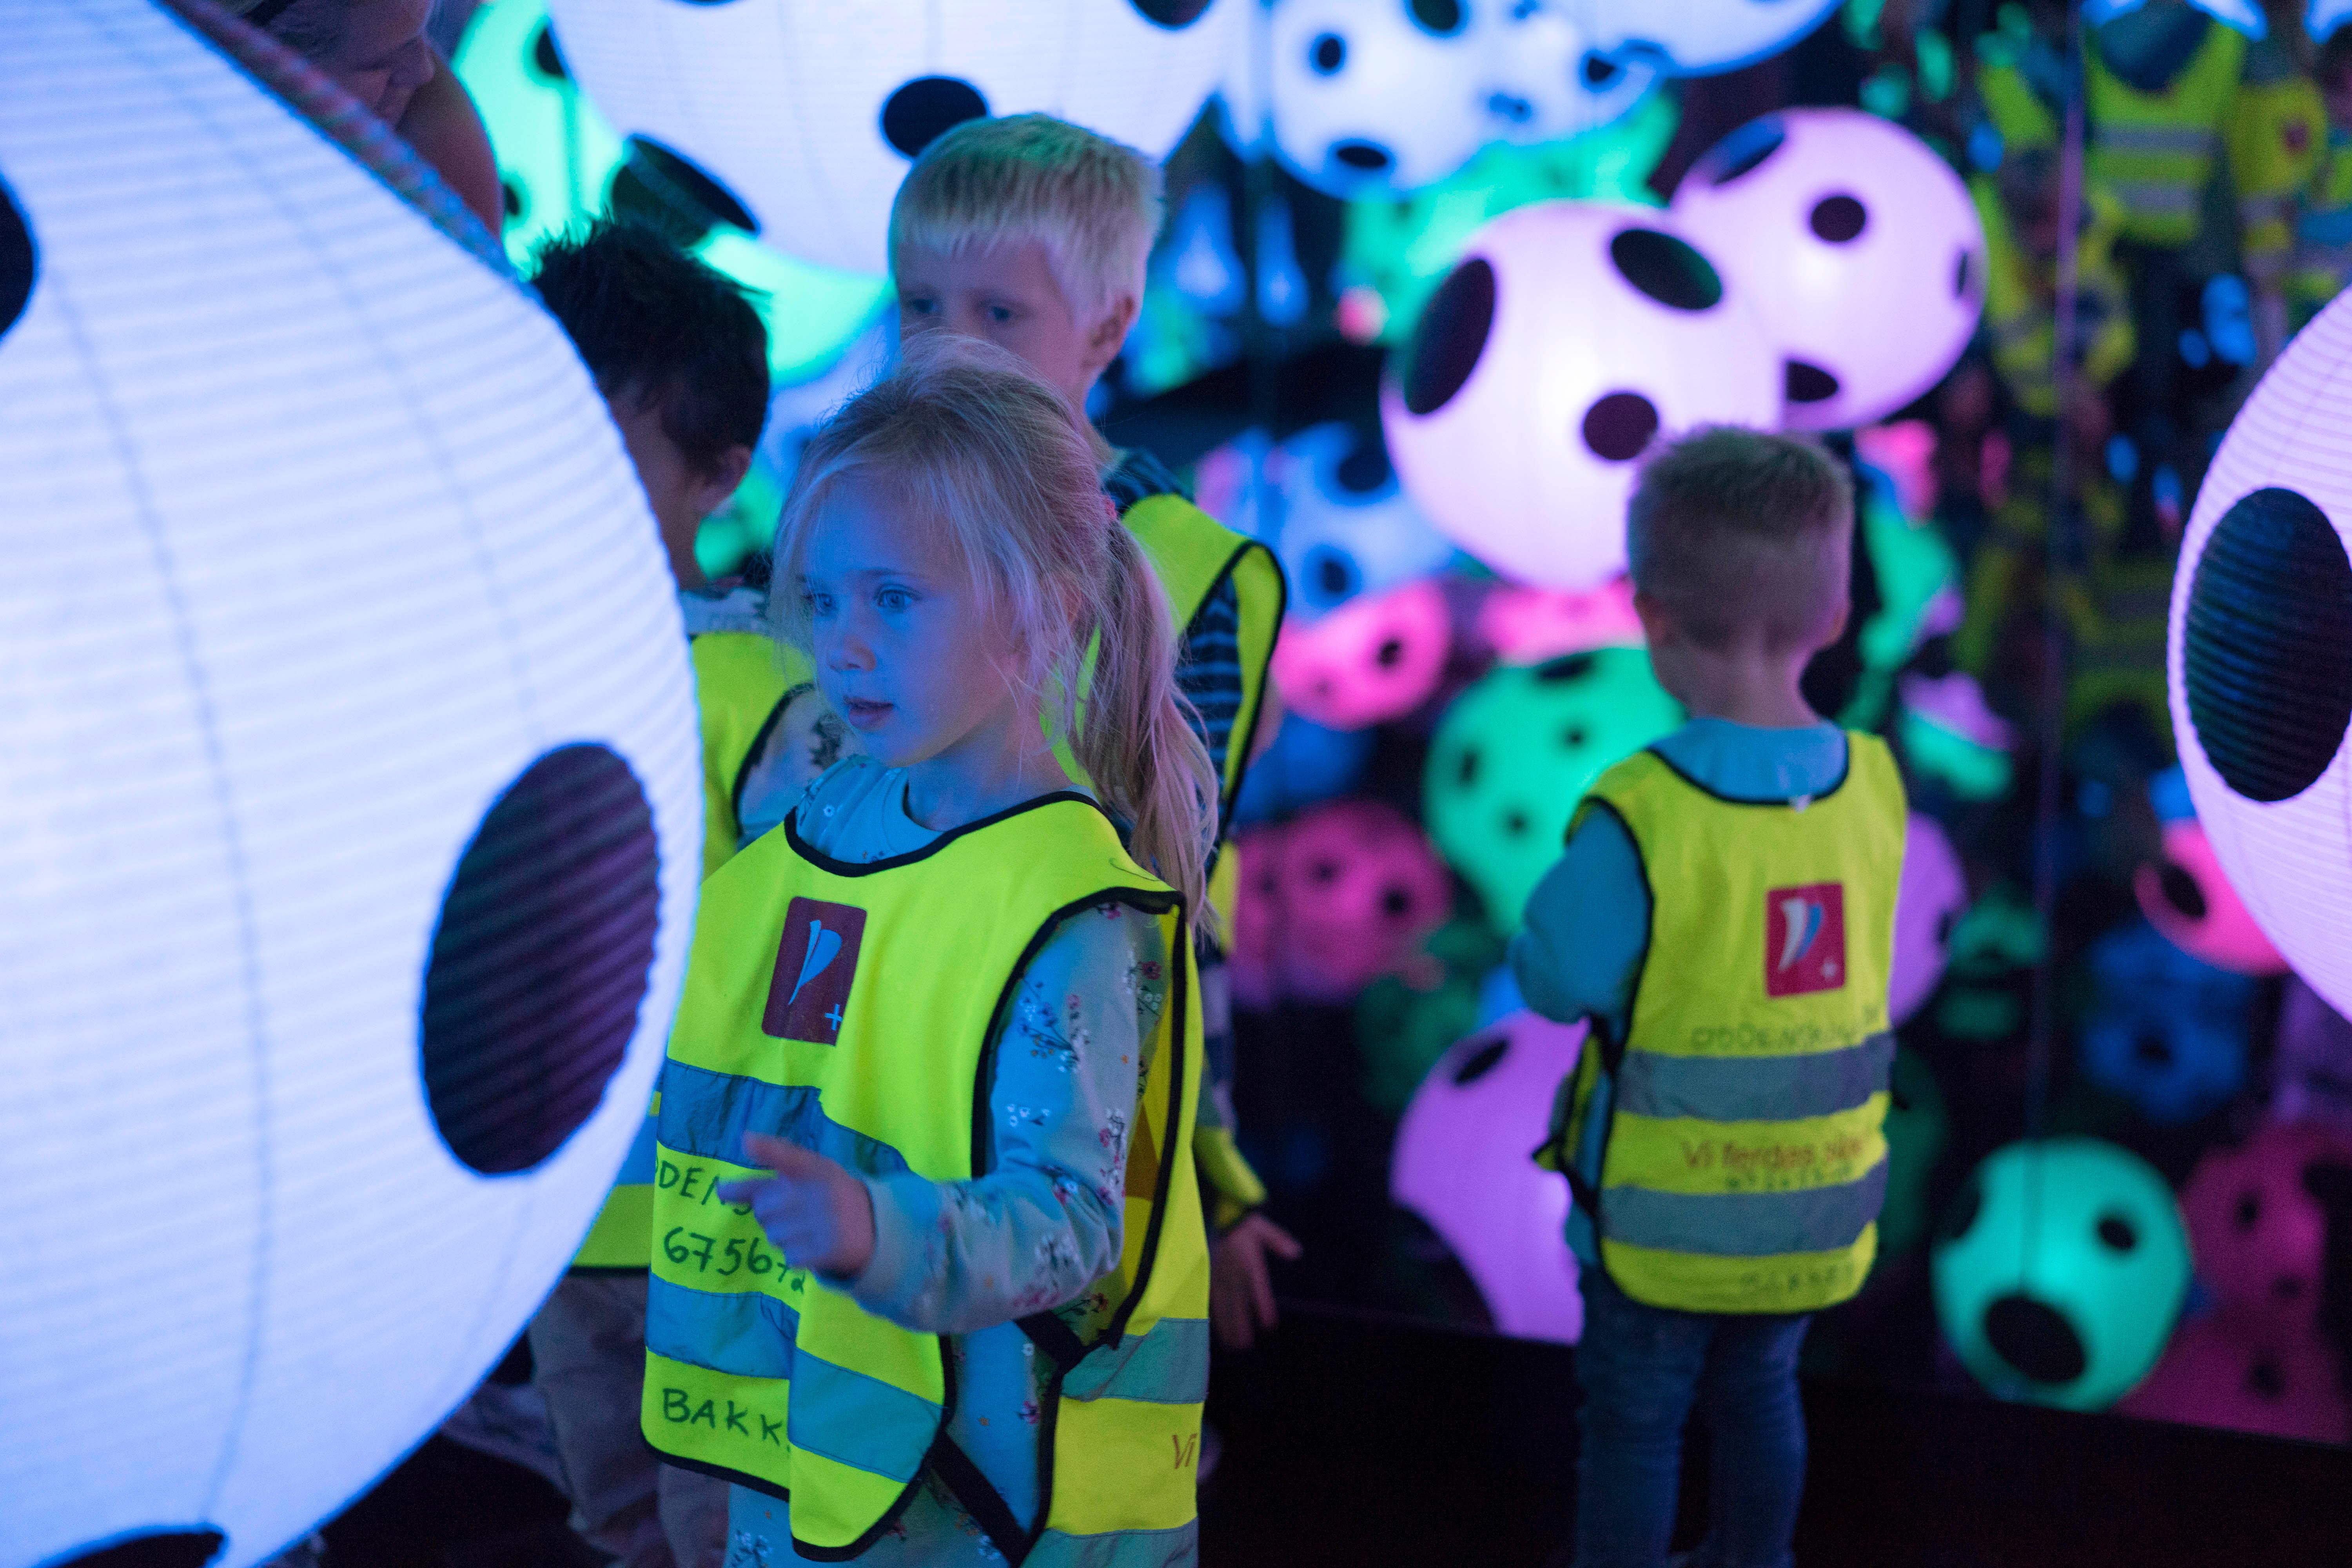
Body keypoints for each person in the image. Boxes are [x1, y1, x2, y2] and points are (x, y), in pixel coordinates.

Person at [639, 335, 1214, 1565]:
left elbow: (1068, 1223)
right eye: (825, 599)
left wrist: (872, 1229)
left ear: (1044, 604)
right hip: (814, 1451)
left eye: (892, 599)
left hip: (982, 1501)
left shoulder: (1073, 910)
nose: (840, 645)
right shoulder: (827, 818)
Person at [888, 114, 1298, 1348]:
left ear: (1108, 329)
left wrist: (1213, 1177)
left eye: (997, 313)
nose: (949, 344)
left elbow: (1175, 891)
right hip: (892, 1047)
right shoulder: (866, 511)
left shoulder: (1185, 567)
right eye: (919, 305)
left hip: (1071, 1089)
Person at [1516, 428, 1907, 1568]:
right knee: (1762, 1393)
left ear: (1652, 617)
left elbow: (1556, 978)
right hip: (1807, 1199)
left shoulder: (1643, 807)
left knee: (1635, 1423)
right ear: (1833, 616)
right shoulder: (1874, 784)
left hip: (1660, 1213)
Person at [523, 219, 811, 1568]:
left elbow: (831, 948)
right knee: (621, 1522)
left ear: (720, 474)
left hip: (721, 1220)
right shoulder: (492, 657)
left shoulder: (761, 690)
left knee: (725, 1530)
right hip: (546, 1214)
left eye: (609, 437)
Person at [229, 0, 505, 233]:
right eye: (380, 63)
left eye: (425, 34)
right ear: (268, 63)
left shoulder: (433, 143)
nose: (424, 71)